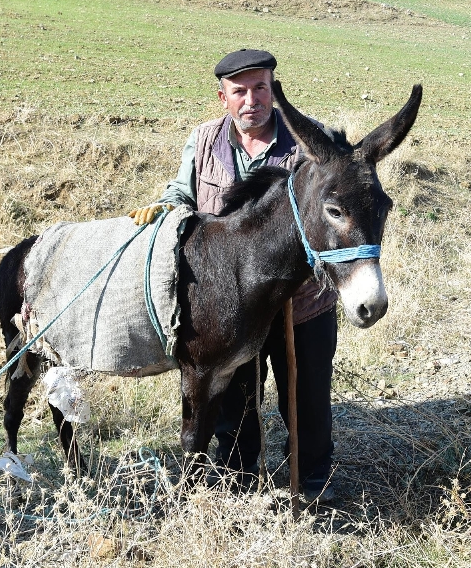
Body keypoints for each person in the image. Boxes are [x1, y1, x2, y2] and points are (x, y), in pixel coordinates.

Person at [129, 49, 338, 502]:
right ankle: (238, 480)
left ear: (274, 90)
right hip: (229, 306)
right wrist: (165, 207)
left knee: (305, 398)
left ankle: (313, 482)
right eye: (239, 91)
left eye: (260, 88)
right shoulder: (204, 140)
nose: (251, 101)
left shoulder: (310, 142)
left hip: (301, 304)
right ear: (222, 96)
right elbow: (182, 193)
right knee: (233, 402)